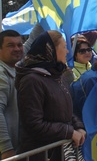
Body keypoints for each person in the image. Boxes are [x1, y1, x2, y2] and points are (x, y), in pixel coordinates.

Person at [15, 31, 86, 161]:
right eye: (64, 47)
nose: (68, 52)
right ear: (51, 50)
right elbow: (34, 124)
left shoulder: (58, 76)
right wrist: (69, 132)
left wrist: (78, 127)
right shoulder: (31, 81)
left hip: (60, 153)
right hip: (41, 155)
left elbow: (66, 112)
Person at [0, 30, 23, 159]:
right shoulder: (1, 74)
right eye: (10, 45)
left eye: (19, 45)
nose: (17, 49)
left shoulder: (13, 67)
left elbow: (31, 41)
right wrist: (6, 148)